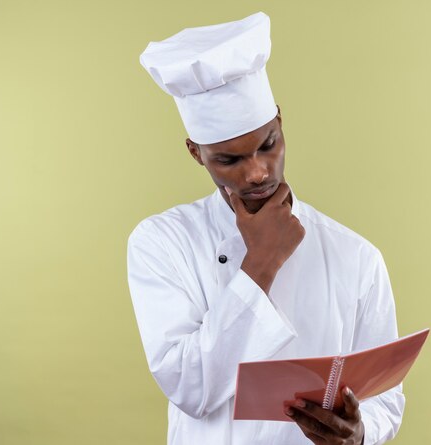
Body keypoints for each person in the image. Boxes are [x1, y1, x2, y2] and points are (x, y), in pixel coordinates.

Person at [128, 11, 405, 445]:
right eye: (230, 159)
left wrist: (361, 431)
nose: (258, 172)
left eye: (267, 145)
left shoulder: (356, 256)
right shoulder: (162, 242)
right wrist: (261, 262)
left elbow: (386, 398)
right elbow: (189, 388)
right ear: (196, 153)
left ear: (280, 122)